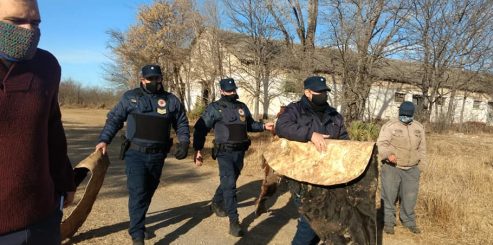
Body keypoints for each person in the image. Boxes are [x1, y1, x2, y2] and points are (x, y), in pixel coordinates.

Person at [0, 0, 76, 244]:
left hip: (40, 218)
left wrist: (65, 181)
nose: (28, 30)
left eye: (35, 22)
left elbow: (52, 127)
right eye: (15, 21)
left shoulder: (47, 66)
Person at [95, 64, 190, 245]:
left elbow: (182, 123)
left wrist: (184, 142)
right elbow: (114, 119)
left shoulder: (170, 100)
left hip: (158, 156)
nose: (154, 82)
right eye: (150, 79)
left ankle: (138, 223)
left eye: (157, 78)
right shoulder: (130, 97)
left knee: (148, 191)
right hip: (135, 154)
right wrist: (104, 139)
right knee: (138, 191)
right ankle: (137, 234)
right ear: (142, 79)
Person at [192, 78, 274, 237]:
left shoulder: (241, 107)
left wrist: (264, 126)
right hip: (224, 152)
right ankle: (234, 222)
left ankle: (216, 202)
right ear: (222, 91)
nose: (232, 93)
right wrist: (198, 150)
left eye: (234, 90)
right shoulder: (215, 108)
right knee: (230, 185)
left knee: (229, 181)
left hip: (240, 152)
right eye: (229, 90)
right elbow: (200, 129)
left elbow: (250, 125)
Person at [275, 76, 349, 245]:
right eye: (319, 92)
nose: (323, 95)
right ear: (307, 92)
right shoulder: (295, 110)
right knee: (312, 218)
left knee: (321, 221)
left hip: (328, 177)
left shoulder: (335, 116)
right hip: (302, 176)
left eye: (325, 92)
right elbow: (282, 127)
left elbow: (345, 141)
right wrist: (310, 134)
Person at [376, 101, 426, 235]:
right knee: (389, 197)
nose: (405, 117)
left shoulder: (418, 127)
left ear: (412, 115)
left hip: (412, 169)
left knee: (410, 198)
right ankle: (388, 223)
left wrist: (421, 167)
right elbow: (381, 144)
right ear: (399, 113)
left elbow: (422, 148)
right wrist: (388, 155)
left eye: (408, 115)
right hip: (392, 167)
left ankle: (409, 221)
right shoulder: (390, 126)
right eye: (403, 114)